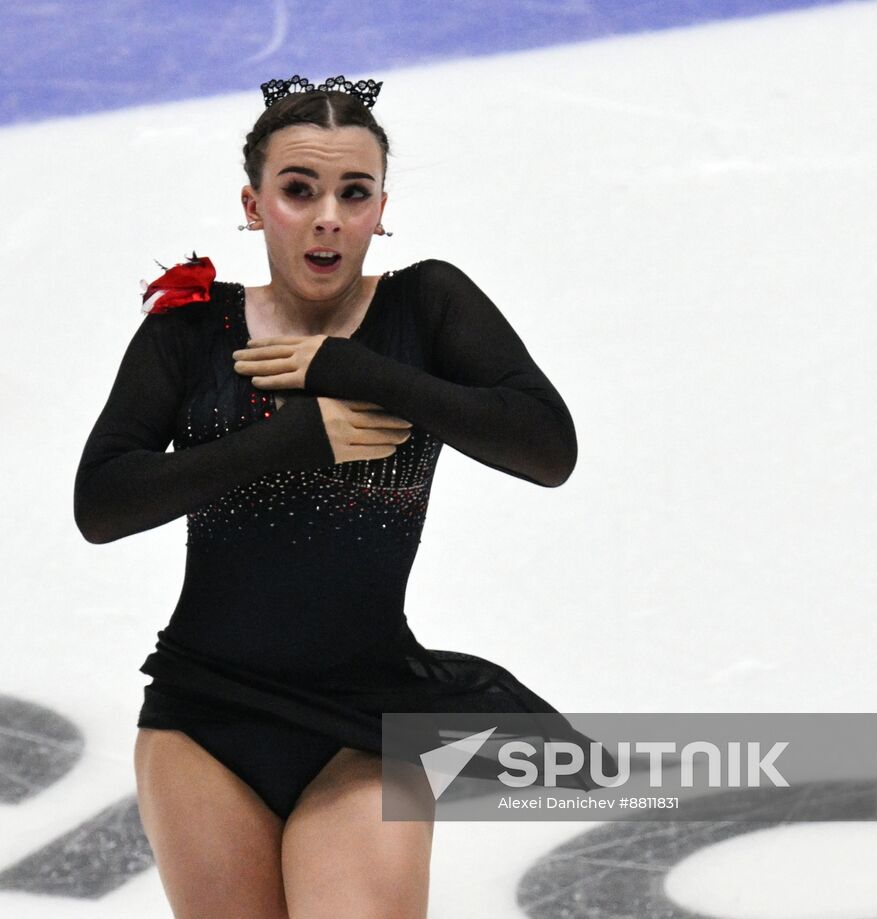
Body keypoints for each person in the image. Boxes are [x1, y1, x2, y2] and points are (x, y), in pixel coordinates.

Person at [74, 74, 611, 919]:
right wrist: (290, 439)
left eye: (352, 192)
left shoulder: (425, 310)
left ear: (380, 208)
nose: (328, 214)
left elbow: (548, 448)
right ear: (254, 205)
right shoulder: (190, 331)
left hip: (368, 715)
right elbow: (100, 503)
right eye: (299, 189)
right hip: (203, 717)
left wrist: (357, 370)